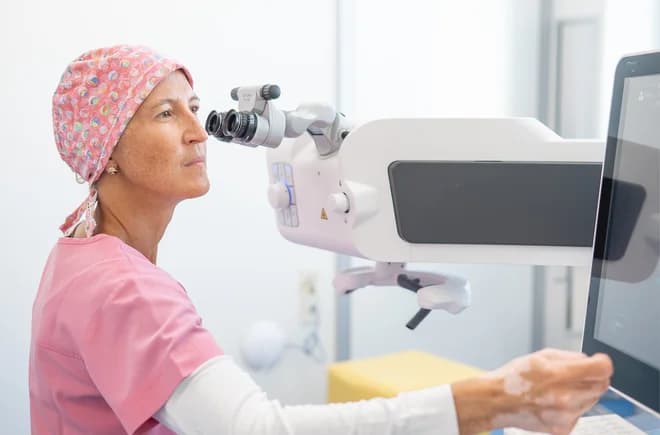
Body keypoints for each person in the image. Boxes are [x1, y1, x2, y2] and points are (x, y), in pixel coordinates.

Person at [30, 44, 613, 435]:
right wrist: (493, 399)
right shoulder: (122, 288)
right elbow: (255, 430)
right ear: (106, 148)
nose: (196, 132)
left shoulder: (80, 255)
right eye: (165, 114)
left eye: (196, 109)